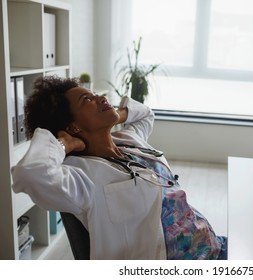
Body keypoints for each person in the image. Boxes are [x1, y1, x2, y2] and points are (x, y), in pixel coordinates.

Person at [11, 76, 227, 260]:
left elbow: (145, 113)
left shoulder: (128, 139)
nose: (101, 98)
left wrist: (113, 113)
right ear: (72, 126)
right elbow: (30, 174)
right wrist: (64, 143)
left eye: (96, 94)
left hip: (211, 243)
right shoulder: (80, 177)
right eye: (88, 100)